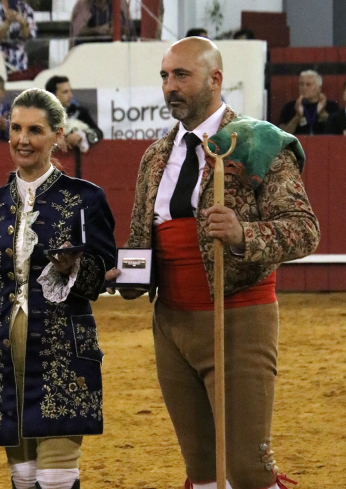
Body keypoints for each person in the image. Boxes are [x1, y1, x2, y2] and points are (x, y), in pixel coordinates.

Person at [106, 37, 320, 489]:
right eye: (165, 76)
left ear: (215, 79)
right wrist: (122, 275)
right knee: (201, 468)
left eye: (181, 75)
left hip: (239, 319)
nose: (170, 86)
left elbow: (304, 229)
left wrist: (243, 234)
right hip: (171, 326)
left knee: (247, 470)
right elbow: (143, 241)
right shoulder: (155, 157)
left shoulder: (259, 142)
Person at [0, 87, 116, 489]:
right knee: (22, 479)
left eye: (35, 130)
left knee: (55, 479)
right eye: (16, 128)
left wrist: (74, 267)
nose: (23, 139)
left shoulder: (85, 199)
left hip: (62, 354)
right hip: (0, 358)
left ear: (57, 135)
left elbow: (102, 276)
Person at [45, 75, 103, 153]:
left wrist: (83, 135)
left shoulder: (80, 112)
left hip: (77, 159)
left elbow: (99, 134)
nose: (70, 96)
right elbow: (33, 137)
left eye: (70, 91)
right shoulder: (41, 115)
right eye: (65, 92)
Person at [278, 69, 339, 135]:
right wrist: (297, 117)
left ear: (319, 88)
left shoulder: (331, 106)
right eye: (301, 84)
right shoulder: (289, 107)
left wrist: (323, 113)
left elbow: (339, 131)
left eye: (308, 85)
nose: (304, 88)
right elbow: (282, 135)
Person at [70, 0, 134, 47]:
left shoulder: (118, 0)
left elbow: (128, 29)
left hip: (114, 47)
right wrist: (97, 30)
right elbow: (78, 32)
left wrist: (116, 29)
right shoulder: (84, 3)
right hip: (91, 48)